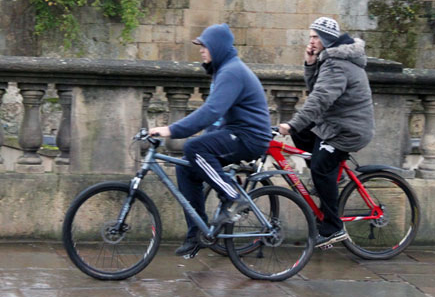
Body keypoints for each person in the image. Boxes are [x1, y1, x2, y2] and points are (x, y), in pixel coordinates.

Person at [150, 23, 271, 256]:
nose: (201, 50)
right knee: (186, 166)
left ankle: (233, 196)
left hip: (250, 137)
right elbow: (216, 121)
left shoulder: (231, 72)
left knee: (194, 147)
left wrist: (172, 130)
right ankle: (196, 234)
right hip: (237, 132)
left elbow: (211, 112)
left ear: (217, 46)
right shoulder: (223, 71)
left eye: (204, 46)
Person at [278, 17, 374, 249]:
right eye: (310, 36)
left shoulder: (337, 63)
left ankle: (333, 228)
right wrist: (310, 64)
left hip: (347, 130)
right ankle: (334, 177)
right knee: (302, 136)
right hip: (334, 124)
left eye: (314, 36)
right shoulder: (331, 59)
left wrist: (291, 124)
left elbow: (319, 100)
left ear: (325, 38)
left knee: (320, 167)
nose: (311, 41)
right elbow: (318, 89)